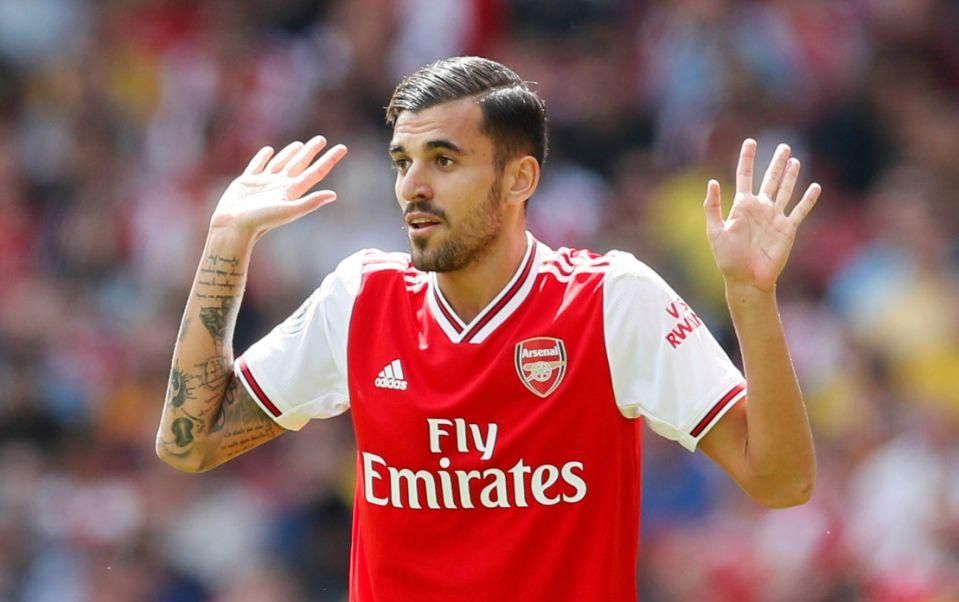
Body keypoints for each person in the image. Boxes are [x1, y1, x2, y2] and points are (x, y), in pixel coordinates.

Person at [156, 56, 819, 601]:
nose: (412, 186)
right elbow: (190, 443)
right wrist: (227, 241)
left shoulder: (611, 301)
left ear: (519, 178)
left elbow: (782, 480)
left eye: (443, 161)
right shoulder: (359, 299)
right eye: (402, 161)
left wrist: (750, 296)